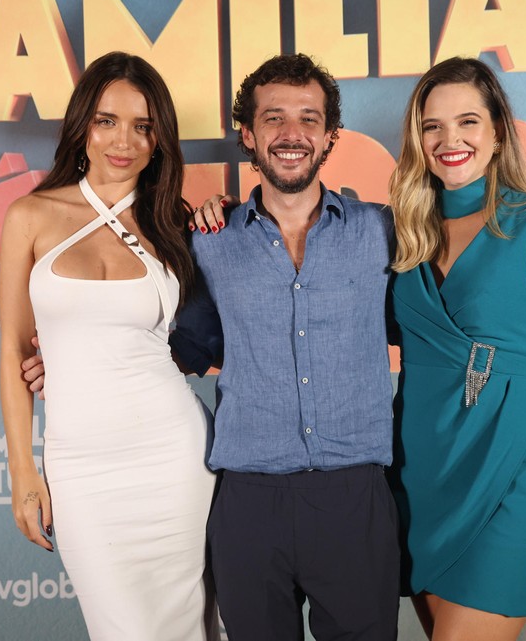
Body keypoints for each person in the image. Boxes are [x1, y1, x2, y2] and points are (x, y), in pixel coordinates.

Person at [171, 53, 401, 641]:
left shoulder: (382, 231)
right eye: (274, 118)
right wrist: (72, 362)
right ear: (248, 134)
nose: (291, 133)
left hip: (355, 496)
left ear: (329, 137)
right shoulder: (209, 244)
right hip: (248, 502)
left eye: (308, 118)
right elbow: (179, 349)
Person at [386, 56, 526, 640]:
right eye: (432, 126)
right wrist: (225, 216)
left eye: (468, 122)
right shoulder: (401, 234)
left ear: (497, 133)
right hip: (421, 481)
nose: (449, 139)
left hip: (510, 480)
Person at [0, 51, 216, 641]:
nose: (125, 140)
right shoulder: (28, 215)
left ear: (159, 138)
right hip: (81, 466)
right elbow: (14, 352)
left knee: (196, 624)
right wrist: (23, 470)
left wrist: (219, 217)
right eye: (107, 121)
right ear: (82, 128)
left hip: (174, 455)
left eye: (143, 126)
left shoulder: (176, 220)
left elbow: (217, 325)